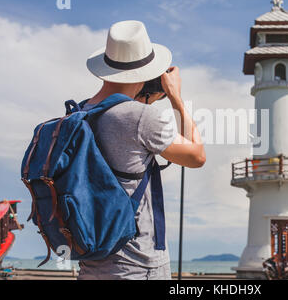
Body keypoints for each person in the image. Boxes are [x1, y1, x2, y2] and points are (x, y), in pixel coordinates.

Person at [77, 20, 205, 280]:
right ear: (146, 73)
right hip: (138, 265)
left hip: (91, 262)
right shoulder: (140, 117)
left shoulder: (80, 113)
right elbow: (196, 156)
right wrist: (175, 97)